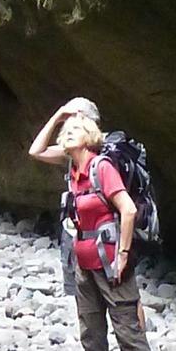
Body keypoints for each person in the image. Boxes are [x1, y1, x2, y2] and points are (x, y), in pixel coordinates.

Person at [29, 105, 161, 351]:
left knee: (129, 335)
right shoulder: (72, 167)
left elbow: (127, 210)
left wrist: (124, 255)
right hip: (84, 263)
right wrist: (59, 115)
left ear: (89, 136)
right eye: (66, 132)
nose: (67, 134)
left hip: (110, 262)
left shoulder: (101, 166)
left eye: (75, 130)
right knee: (91, 336)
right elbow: (35, 151)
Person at [28, 97, 102, 293]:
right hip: (74, 231)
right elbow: (36, 151)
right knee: (80, 291)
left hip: (102, 233)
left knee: (117, 294)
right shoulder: (70, 155)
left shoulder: (105, 156)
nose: (68, 128)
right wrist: (57, 117)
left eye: (74, 121)